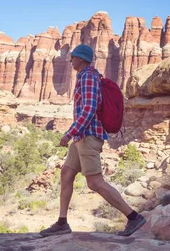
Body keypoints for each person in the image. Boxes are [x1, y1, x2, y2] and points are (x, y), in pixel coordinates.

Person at [39, 44, 146, 238]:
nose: (70, 60)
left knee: (95, 183)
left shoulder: (88, 76)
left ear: (80, 58)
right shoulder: (85, 76)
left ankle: (133, 217)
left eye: (73, 57)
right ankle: (62, 223)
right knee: (66, 173)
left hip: (88, 136)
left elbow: (89, 108)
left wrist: (69, 133)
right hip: (82, 137)